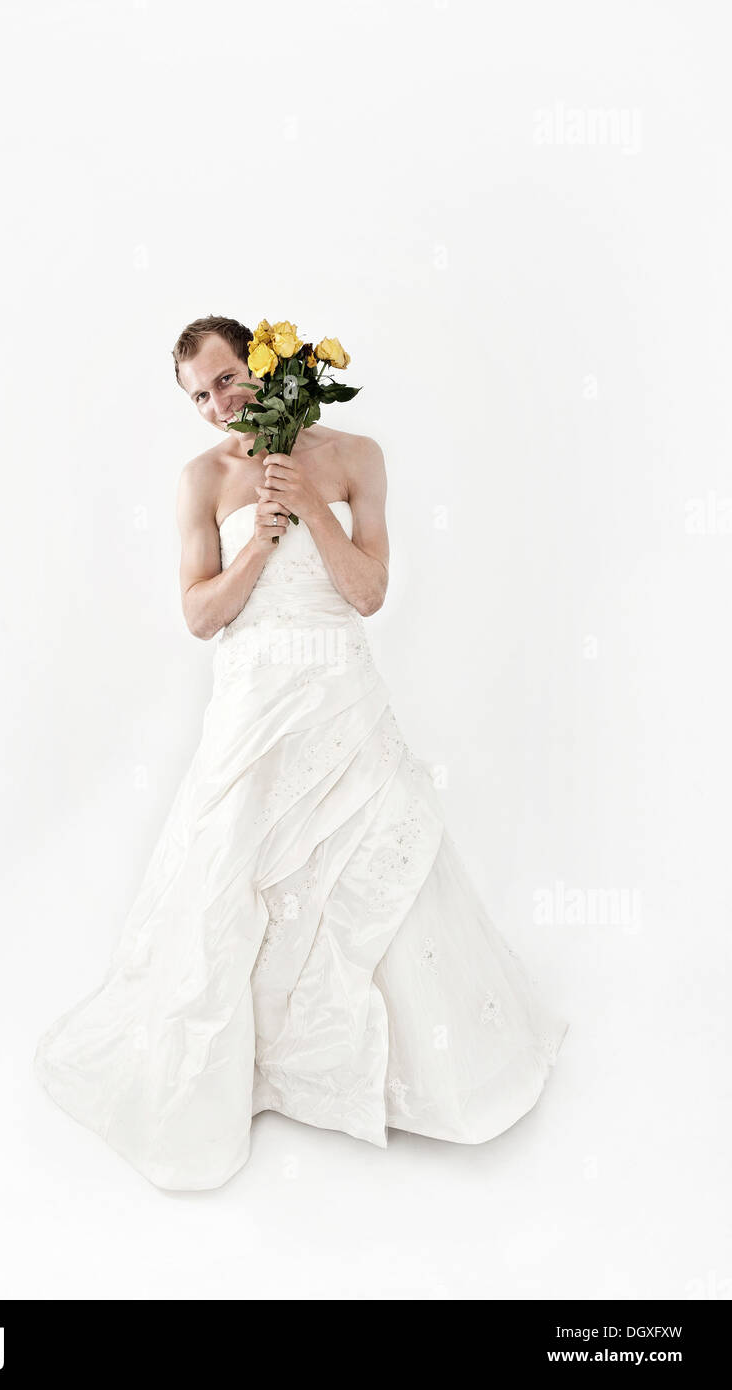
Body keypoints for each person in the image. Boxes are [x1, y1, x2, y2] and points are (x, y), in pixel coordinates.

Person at [33, 314, 569, 1192]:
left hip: (340, 693)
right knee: (236, 868)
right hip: (252, 701)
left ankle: (398, 1063)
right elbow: (201, 617)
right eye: (198, 396)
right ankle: (253, 1062)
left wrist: (311, 503)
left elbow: (366, 595)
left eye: (226, 379)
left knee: (372, 855)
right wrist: (262, 535)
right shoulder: (200, 480)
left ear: (266, 362)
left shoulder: (357, 453)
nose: (217, 404)